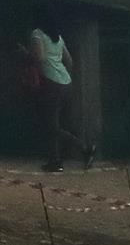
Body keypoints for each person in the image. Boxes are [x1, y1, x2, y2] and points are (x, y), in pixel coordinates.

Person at [27, 13, 95, 173]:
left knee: (51, 126)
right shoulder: (58, 38)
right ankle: (55, 160)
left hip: (51, 83)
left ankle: (84, 148)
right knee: (53, 124)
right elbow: (69, 61)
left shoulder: (37, 34)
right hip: (66, 81)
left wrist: (26, 53)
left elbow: (40, 57)